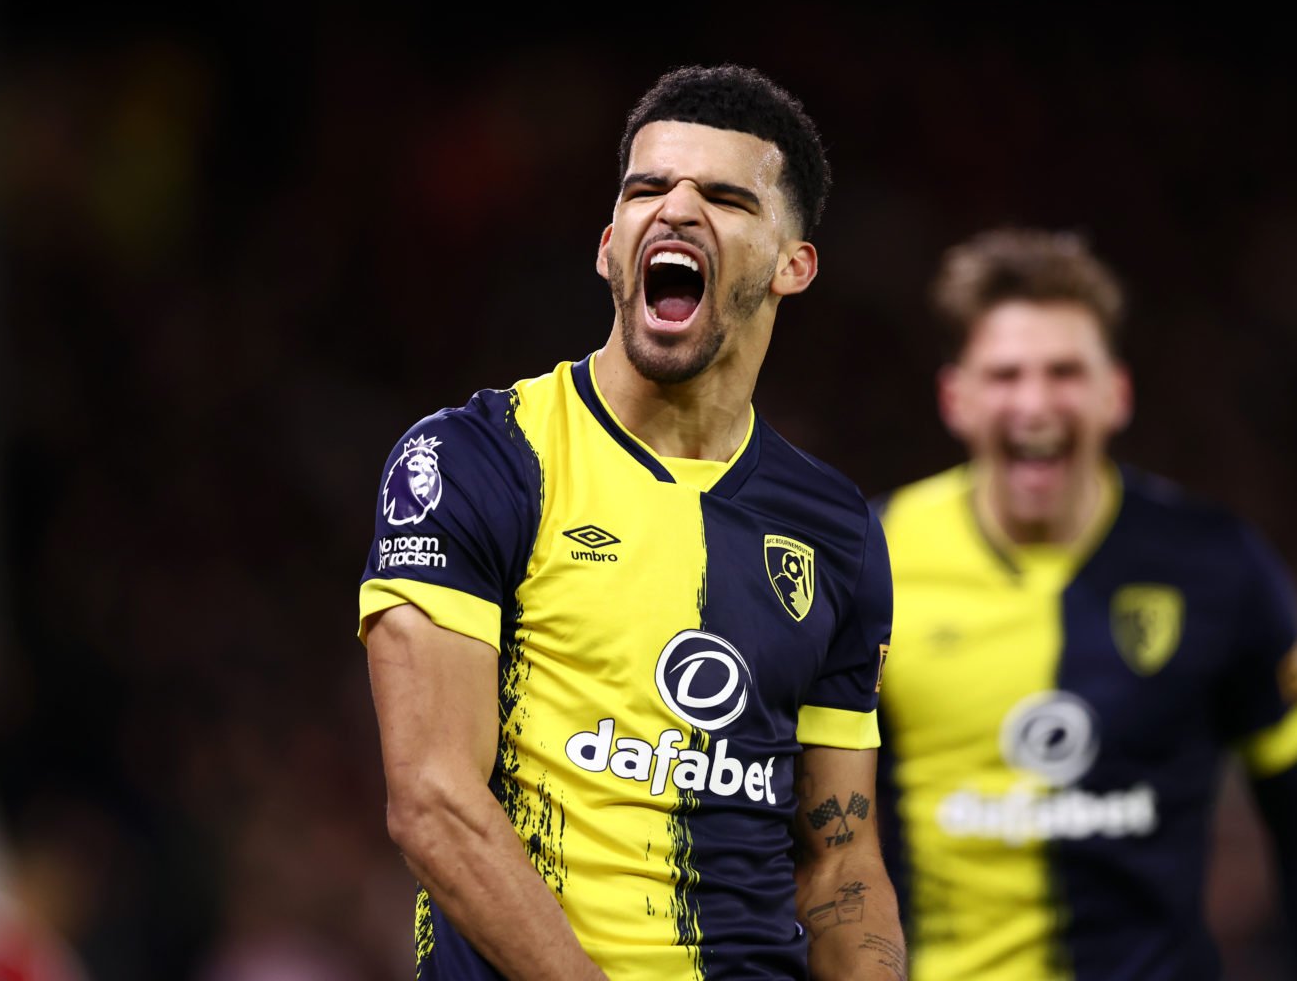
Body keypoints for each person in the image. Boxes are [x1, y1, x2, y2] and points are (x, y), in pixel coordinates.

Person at [358, 64, 905, 981]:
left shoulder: (835, 530)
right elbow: (434, 804)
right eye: (648, 188)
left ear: (792, 265)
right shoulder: (481, 459)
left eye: (726, 197)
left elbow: (841, 861)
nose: (677, 211)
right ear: (611, 246)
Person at [874, 227, 1297, 980]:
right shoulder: (867, 562)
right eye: (1006, 375)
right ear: (956, 399)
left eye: (1063, 373)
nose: (1035, 403)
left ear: (1116, 393)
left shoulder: (1218, 568)